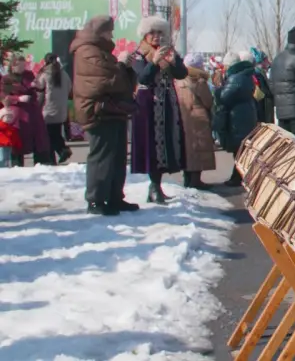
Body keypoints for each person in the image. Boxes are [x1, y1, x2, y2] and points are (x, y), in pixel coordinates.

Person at [70, 16, 138, 215]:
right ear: (100, 32)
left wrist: (125, 68)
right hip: (98, 112)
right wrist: (121, 66)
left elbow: (118, 81)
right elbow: (105, 80)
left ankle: (115, 197)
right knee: (102, 158)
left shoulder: (100, 52)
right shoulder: (87, 51)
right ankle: (96, 200)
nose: (112, 35)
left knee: (117, 157)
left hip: (111, 111)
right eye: (109, 31)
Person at [131, 15, 188, 204]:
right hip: (148, 103)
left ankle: (157, 185)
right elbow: (142, 77)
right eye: (152, 33)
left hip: (167, 102)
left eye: (160, 32)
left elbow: (182, 74)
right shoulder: (139, 54)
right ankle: (153, 186)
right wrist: (154, 62)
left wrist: (174, 62)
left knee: (167, 144)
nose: (156, 36)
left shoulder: (168, 51)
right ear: (145, 35)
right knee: (152, 145)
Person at [214, 52, 258, 186]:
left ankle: (238, 177)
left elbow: (224, 97)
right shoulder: (244, 75)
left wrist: (217, 90)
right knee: (241, 149)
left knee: (239, 149)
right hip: (243, 116)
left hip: (238, 118)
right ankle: (238, 176)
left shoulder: (235, 78)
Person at [2, 53, 52, 165]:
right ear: (13, 66)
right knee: (19, 142)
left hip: (32, 112)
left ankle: (41, 164)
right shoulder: (7, 79)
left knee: (38, 140)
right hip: (18, 115)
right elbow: (3, 96)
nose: (22, 68)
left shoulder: (28, 75)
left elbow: (36, 90)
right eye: (20, 65)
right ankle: (17, 165)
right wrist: (18, 98)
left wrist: (36, 86)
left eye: (23, 65)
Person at [175, 53, 215, 189]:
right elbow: (208, 101)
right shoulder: (199, 81)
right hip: (199, 118)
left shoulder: (178, 80)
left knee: (187, 149)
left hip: (183, 116)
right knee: (199, 149)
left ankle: (187, 179)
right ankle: (195, 181)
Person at [35, 53, 73, 164]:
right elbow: (69, 90)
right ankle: (59, 153)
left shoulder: (45, 74)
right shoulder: (64, 74)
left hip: (48, 110)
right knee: (55, 133)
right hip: (61, 111)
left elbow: (39, 91)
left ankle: (61, 150)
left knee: (48, 136)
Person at [249, 47, 275, 124]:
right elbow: (264, 91)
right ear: (262, 61)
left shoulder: (260, 72)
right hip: (264, 108)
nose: (268, 61)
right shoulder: (258, 73)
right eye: (266, 59)